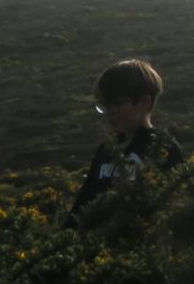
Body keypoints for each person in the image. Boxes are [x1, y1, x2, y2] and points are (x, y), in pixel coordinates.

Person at [70, 58, 185, 224]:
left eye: (115, 104)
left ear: (144, 102)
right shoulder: (106, 150)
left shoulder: (164, 147)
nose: (109, 112)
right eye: (104, 105)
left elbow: (178, 205)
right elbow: (83, 204)